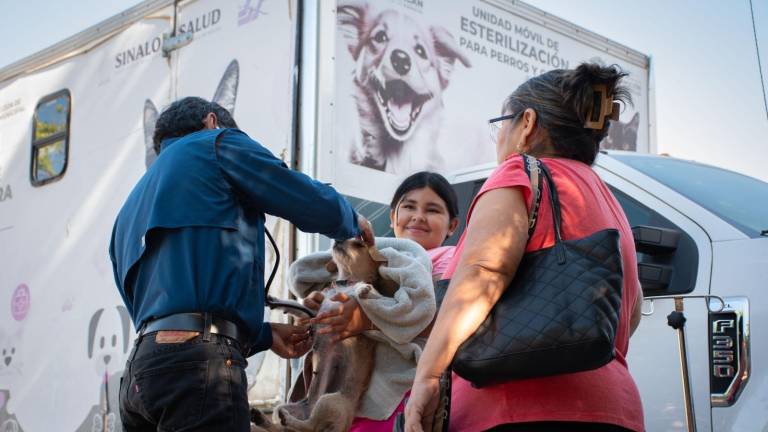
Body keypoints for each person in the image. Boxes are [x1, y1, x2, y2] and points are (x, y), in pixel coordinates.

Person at [109, 96, 374, 432]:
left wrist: (262, 335)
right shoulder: (214, 143)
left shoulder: (128, 211)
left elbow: (162, 310)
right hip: (198, 368)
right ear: (211, 121)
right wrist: (349, 219)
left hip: (139, 376)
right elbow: (294, 192)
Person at [404, 63, 645, 432]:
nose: (500, 136)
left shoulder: (520, 171)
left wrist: (428, 374)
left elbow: (483, 274)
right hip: (617, 410)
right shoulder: (610, 203)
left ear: (527, 124)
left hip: (517, 411)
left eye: (503, 123)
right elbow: (632, 312)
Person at [297, 171, 459, 431]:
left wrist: (369, 319)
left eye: (432, 210)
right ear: (393, 215)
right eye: (409, 207)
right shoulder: (365, 259)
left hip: (401, 395)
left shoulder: (449, 261)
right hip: (347, 394)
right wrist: (325, 309)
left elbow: (446, 320)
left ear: (452, 225)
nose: (418, 216)